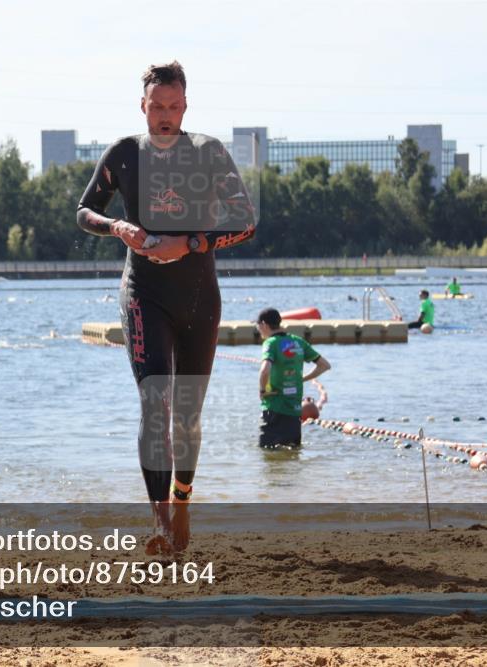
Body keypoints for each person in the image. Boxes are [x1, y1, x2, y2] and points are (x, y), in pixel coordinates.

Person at [76, 61, 256, 554]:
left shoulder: (209, 153)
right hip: (144, 294)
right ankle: (158, 523)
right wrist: (117, 227)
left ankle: (180, 504)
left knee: (187, 416)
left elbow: (245, 222)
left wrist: (192, 243)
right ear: (143, 105)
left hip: (199, 295)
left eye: (174, 107)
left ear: (185, 106)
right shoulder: (124, 153)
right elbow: (84, 211)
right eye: (157, 106)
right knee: (155, 404)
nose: (165, 116)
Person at [256, 308, 330, 449]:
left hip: (274, 408)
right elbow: (324, 365)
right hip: (295, 412)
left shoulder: (270, 343)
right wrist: (302, 379)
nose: (258, 329)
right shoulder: (298, 342)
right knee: (292, 454)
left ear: (264, 324)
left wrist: (262, 390)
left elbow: (265, 370)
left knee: (267, 454)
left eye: (258, 325)